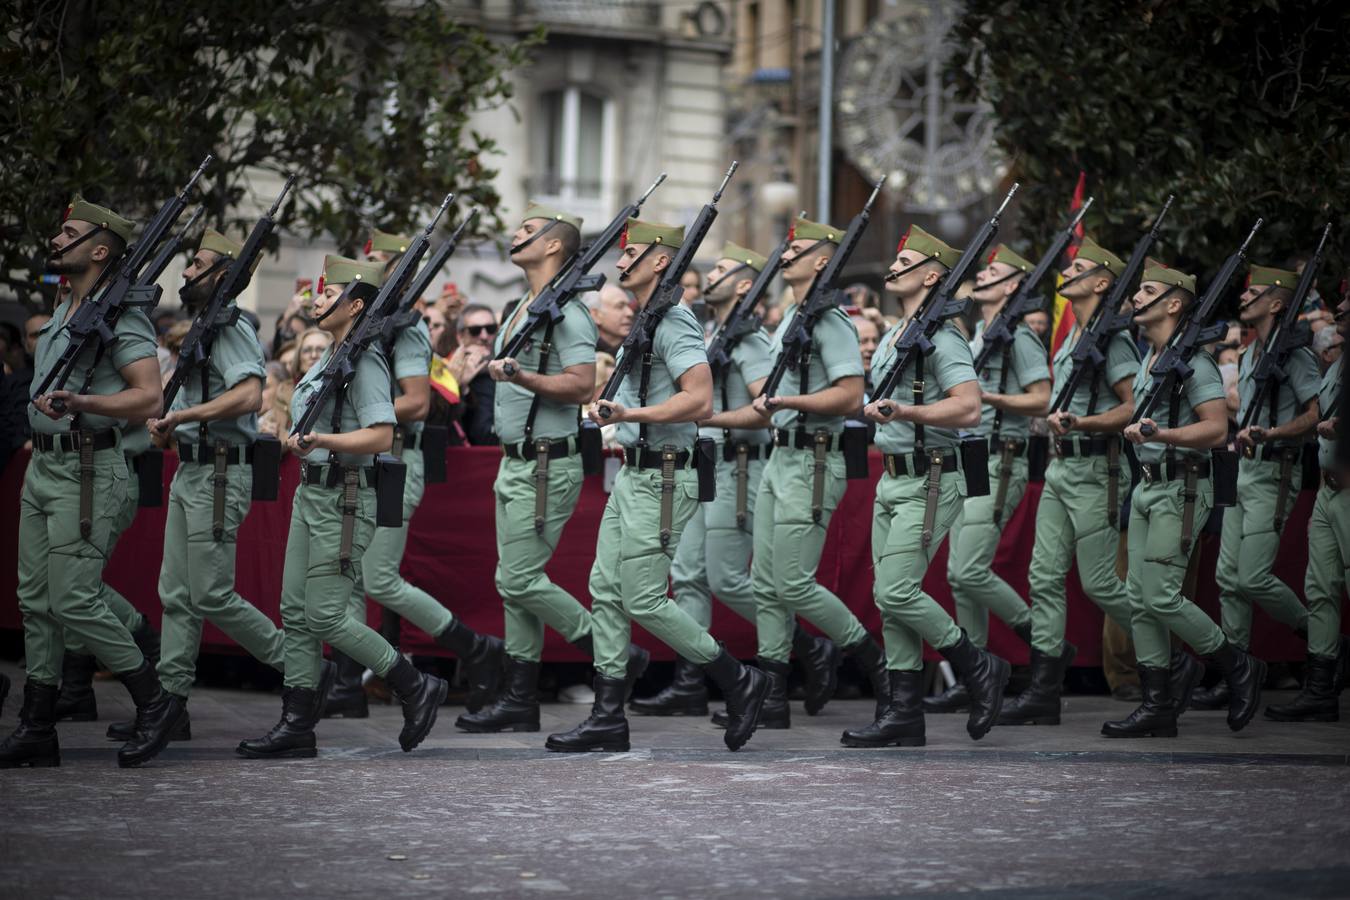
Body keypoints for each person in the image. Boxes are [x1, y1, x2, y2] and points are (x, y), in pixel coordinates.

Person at [545, 217, 769, 754]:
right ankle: (607, 715)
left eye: (632, 254)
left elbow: (700, 399)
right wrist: (616, 412)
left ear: (662, 261)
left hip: (667, 474)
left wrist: (631, 410)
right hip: (639, 471)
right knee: (605, 590)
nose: (620, 262)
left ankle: (740, 679)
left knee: (644, 598)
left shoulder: (675, 322)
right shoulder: (647, 320)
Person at [238, 255, 446, 759]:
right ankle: (296, 723)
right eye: (318, 290)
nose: (317, 298)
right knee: (296, 611)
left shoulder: (367, 362)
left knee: (327, 614)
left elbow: (381, 435)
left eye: (330, 293)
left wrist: (321, 438)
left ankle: (414, 684)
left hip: (347, 495)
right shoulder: (333, 357)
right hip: (315, 491)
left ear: (356, 305)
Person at [90, 228, 286, 749]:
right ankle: (172, 704)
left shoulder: (232, 326)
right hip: (196, 469)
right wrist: (180, 426)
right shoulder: (206, 325)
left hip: (220, 472)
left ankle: (302, 669)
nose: (186, 272)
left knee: (212, 595)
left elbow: (249, 396)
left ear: (223, 274)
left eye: (196, 264)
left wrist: (186, 415)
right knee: (176, 594)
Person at [2, 197, 176, 769]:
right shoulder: (63, 306)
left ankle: (155, 704)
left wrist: (83, 401)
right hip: (45, 469)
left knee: (74, 597)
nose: (57, 239)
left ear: (100, 250)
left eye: (69, 233)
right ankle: (37, 726)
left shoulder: (122, 317)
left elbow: (148, 396)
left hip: (87, 470)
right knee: (38, 603)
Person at [633, 241, 835, 725]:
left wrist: (711, 418)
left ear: (745, 284)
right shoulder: (710, 331)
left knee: (726, 576)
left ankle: (806, 646)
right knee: (687, 575)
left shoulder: (746, 338)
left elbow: (765, 407)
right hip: (707, 462)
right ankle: (689, 683)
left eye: (722, 270)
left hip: (739, 467)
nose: (711, 275)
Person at [461, 203, 638, 732]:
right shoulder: (523, 306)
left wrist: (521, 377)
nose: (516, 234)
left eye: (529, 231)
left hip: (543, 464)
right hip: (515, 461)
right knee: (513, 583)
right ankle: (520, 698)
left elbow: (583, 384)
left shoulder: (570, 312)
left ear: (555, 246)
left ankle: (615, 655)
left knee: (517, 580)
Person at [322, 240, 503, 722]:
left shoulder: (408, 328)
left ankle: (477, 647)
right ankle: (345, 684)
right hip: (369, 460)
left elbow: (418, 403)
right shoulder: (366, 326)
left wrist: (350, 412)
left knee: (379, 576)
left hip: (399, 458)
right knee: (355, 575)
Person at [841, 225, 1006, 748]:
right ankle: (904, 713)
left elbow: (968, 405)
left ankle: (978, 665)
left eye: (905, 261)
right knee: (888, 599)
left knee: (896, 590)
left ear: (932, 275)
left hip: (932, 477)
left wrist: (907, 409)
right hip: (895, 478)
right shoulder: (897, 330)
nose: (893, 267)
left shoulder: (945, 335)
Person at [1102, 261, 1266, 738]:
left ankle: (1238, 665)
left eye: (1147, 291)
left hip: (1183, 485)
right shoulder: (1153, 358)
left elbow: (1216, 427)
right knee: (1138, 597)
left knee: (1160, 594)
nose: (1135, 298)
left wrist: (1164, 433)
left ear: (1174, 303)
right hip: (1149, 485)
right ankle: (1158, 704)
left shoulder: (1192, 358)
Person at [999, 236, 1140, 726]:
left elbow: (1132, 407)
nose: (1068, 271)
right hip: (1062, 467)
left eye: (1078, 268)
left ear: (1102, 281)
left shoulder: (1113, 339)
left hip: (1097, 467)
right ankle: (1043, 690)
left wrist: (1084, 424)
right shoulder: (1074, 338)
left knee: (1100, 581)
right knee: (1043, 577)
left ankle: (1171, 663)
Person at [749, 215, 885, 721]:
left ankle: (876, 663)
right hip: (781, 455)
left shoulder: (831, 320)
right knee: (765, 582)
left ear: (822, 261)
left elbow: (851, 395)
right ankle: (772, 695)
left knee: (792, 582)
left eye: (797, 249)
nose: (785, 255)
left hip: (813, 459)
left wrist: (791, 400)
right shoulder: (792, 315)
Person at [1190, 264, 1322, 712]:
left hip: (1275, 471)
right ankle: (1236, 672)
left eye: (1255, 293)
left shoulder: (1295, 355)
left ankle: (1327, 644)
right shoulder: (1250, 354)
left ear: (1278, 303)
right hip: (1243, 471)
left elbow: (1315, 414)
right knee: (1228, 579)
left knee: (1254, 576)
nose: (1245, 298)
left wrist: (1274, 432)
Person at [927, 244, 1050, 714]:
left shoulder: (1018, 337)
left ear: (1014, 285)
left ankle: (1046, 646)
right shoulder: (980, 333)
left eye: (994, 272)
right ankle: (975, 675)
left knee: (968, 569)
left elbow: (1041, 400)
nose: (983, 275)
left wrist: (991, 399)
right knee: (960, 579)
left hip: (1003, 458)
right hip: (972, 457)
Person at [1266, 292, 1348, 721]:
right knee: (1319, 590)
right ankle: (1320, 689)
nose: (1341, 313)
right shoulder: (1337, 369)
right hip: (1328, 489)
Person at [589, 283, 634, 356]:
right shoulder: (583, 354)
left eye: (629, 306)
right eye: (620, 306)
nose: (630, 313)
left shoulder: (640, 347)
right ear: (595, 315)